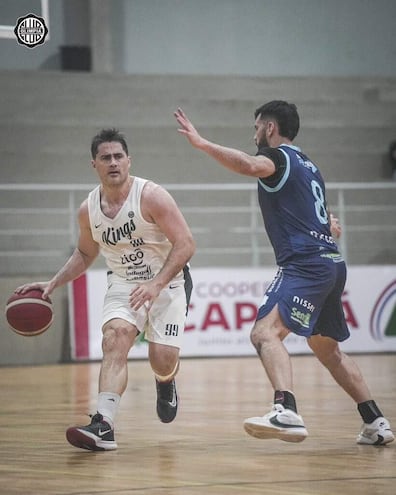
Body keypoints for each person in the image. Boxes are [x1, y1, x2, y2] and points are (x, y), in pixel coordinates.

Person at [174, 102, 394, 446]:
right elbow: (320, 212)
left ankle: (286, 410)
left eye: (257, 127)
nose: (254, 134)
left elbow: (249, 164)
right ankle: (375, 421)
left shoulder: (278, 158)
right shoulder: (309, 165)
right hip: (332, 264)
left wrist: (202, 143)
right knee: (327, 349)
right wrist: (328, 225)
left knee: (264, 334)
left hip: (305, 264)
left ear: (270, 128)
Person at [16, 128, 195, 451]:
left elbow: (186, 244)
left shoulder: (152, 196)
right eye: (105, 157)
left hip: (168, 281)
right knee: (114, 339)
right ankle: (104, 424)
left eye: (118, 156)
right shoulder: (88, 209)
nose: (113, 162)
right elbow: (86, 254)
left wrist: (155, 284)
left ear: (129, 161)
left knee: (162, 359)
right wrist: (53, 282)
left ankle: (165, 381)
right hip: (124, 283)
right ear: (94, 164)